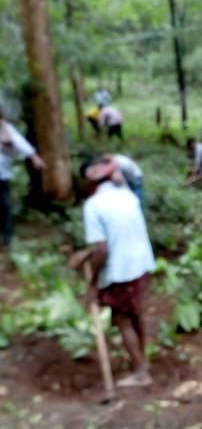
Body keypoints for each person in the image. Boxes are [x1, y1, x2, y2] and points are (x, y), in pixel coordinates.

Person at [71, 155, 155, 387]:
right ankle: (143, 360)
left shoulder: (93, 206)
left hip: (121, 269)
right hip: (141, 262)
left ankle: (140, 372)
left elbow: (102, 249)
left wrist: (92, 284)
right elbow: (117, 235)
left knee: (122, 319)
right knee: (136, 313)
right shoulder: (127, 195)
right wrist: (85, 254)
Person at [0, 106, 45, 248]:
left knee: (4, 205)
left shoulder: (6, 128)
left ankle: (7, 236)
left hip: (2, 174)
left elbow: (20, 143)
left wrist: (34, 157)